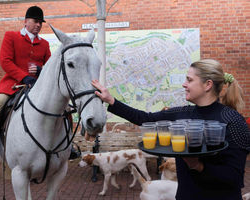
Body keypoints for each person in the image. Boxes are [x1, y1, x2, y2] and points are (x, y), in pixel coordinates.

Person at [92, 59, 250, 200]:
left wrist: (199, 166)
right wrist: (110, 100)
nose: (184, 84)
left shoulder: (233, 121)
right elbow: (145, 118)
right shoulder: (182, 113)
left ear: (207, 85)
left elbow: (234, 178)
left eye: (189, 80)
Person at [0, 6, 51, 167]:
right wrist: (24, 77)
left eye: (41, 22)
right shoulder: (11, 36)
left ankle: (69, 146)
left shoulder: (44, 44)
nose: (38, 25)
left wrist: (41, 71)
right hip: (13, 85)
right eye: (35, 21)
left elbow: (50, 67)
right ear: (26, 22)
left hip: (38, 86)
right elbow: (5, 61)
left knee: (63, 105)